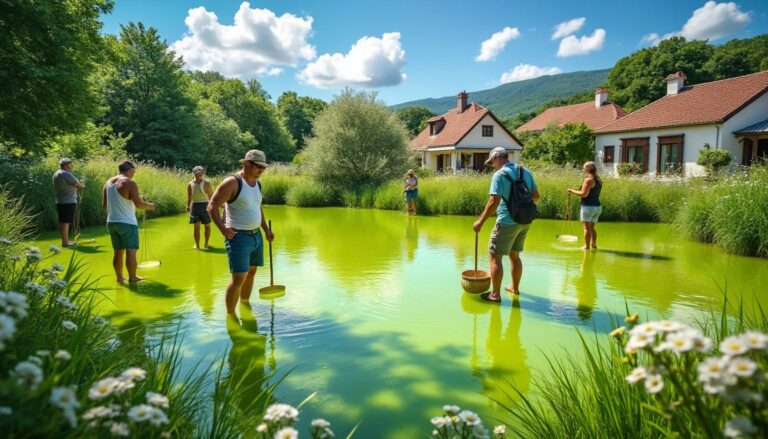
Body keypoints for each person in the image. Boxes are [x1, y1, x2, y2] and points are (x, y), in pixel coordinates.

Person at [207, 149, 274, 316]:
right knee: (238, 278)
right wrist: (223, 229)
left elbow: (257, 207)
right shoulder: (232, 182)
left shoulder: (257, 184)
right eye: (259, 166)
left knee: (251, 272)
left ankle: (245, 305)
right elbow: (212, 206)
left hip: (256, 235)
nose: (261, 170)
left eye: (264, 168)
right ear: (246, 163)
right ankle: (231, 315)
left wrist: (266, 230)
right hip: (238, 237)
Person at [472, 147, 540, 303]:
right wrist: (522, 210)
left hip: (506, 222)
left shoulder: (499, 175)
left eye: (492, 162)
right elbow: (536, 196)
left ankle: (495, 295)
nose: (492, 166)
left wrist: (480, 222)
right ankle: (514, 288)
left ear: (497, 158)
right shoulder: (525, 171)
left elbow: (493, 202)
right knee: (514, 255)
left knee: (495, 257)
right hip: (525, 221)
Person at [102, 160, 156, 283]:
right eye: (133, 172)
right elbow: (139, 204)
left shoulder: (108, 183)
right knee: (131, 251)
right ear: (130, 170)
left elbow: (104, 206)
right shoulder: (129, 182)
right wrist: (151, 206)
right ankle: (132, 277)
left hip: (111, 222)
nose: (134, 174)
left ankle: (120, 277)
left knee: (118, 252)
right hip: (127, 223)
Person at [567, 161, 602, 250]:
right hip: (597, 207)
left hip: (588, 207)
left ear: (588, 169)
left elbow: (584, 194)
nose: (583, 169)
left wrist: (572, 191)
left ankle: (586, 246)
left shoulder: (588, 180)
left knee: (587, 228)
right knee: (592, 227)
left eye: (584, 167)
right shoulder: (598, 179)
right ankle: (593, 244)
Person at [52, 158, 85, 248]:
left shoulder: (57, 173)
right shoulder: (66, 173)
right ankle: (65, 242)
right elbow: (79, 185)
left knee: (63, 221)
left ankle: (65, 241)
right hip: (68, 201)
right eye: (70, 164)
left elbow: (73, 184)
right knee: (65, 222)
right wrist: (82, 184)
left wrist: (75, 185)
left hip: (61, 200)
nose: (71, 166)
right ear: (66, 165)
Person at [187, 166, 214, 249]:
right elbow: (189, 196)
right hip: (195, 206)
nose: (199, 175)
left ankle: (206, 243)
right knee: (196, 227)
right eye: (198, 173)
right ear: (194, 173)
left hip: (205, 206)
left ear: (203, 173)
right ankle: (197, 245)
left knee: (207, 226)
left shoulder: (207, 183)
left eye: (201, 173)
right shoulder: (190, 184)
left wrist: (212, 208)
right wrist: (188, 206)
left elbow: (211, 197)